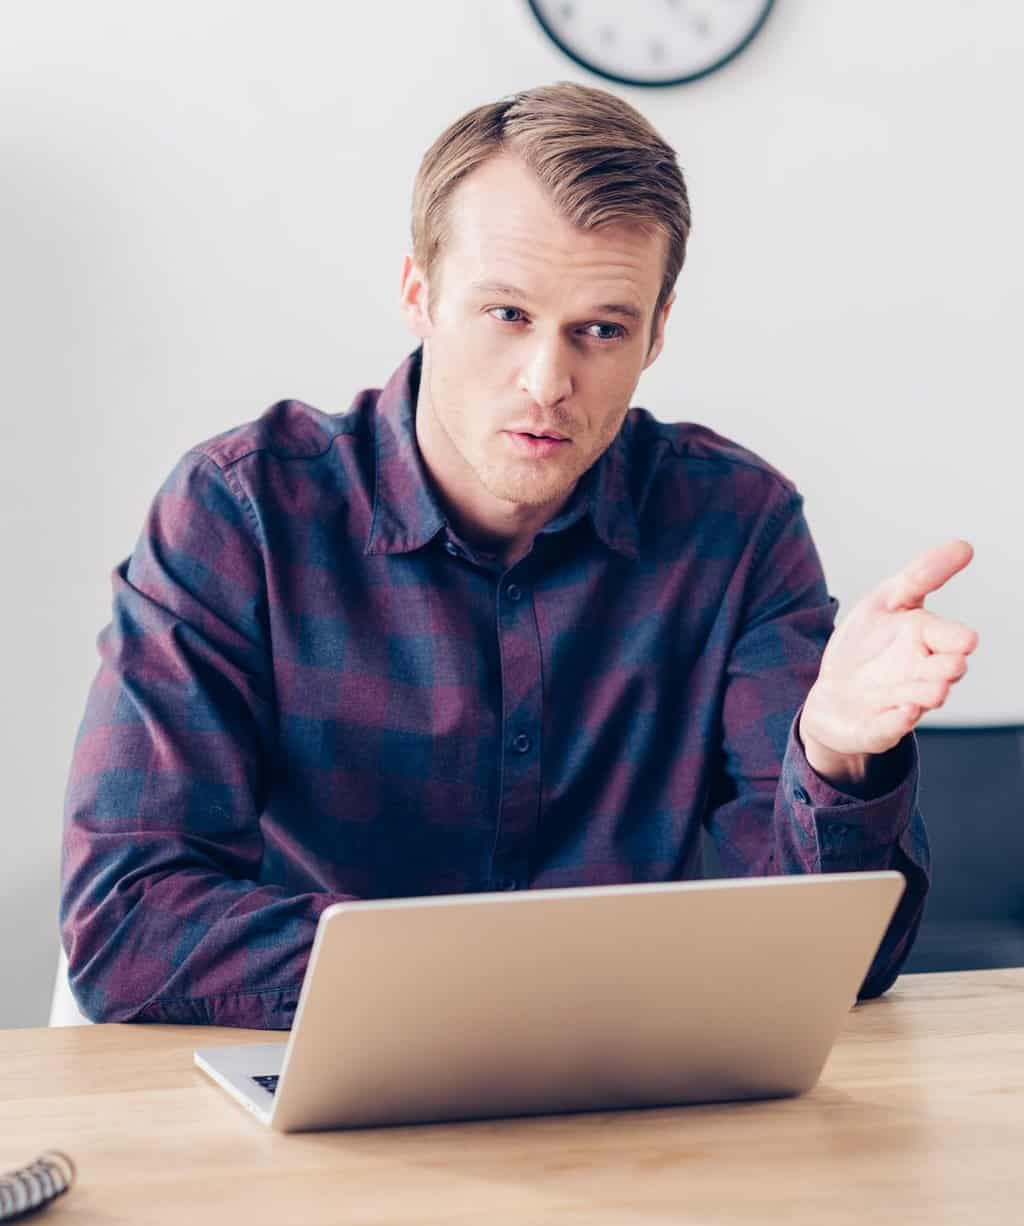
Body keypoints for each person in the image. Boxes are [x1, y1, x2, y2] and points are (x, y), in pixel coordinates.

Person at [60, 82, 978, 1028]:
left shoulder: (736, 525)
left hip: (631, 1098)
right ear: (419, 294)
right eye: (506, 314)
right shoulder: (241, 513)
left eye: (602, 329)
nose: (549, 382)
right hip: (322, 1076)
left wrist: (828, 752)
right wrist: (501, 983)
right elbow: (126, 921)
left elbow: (839, 961)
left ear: (657, 333)